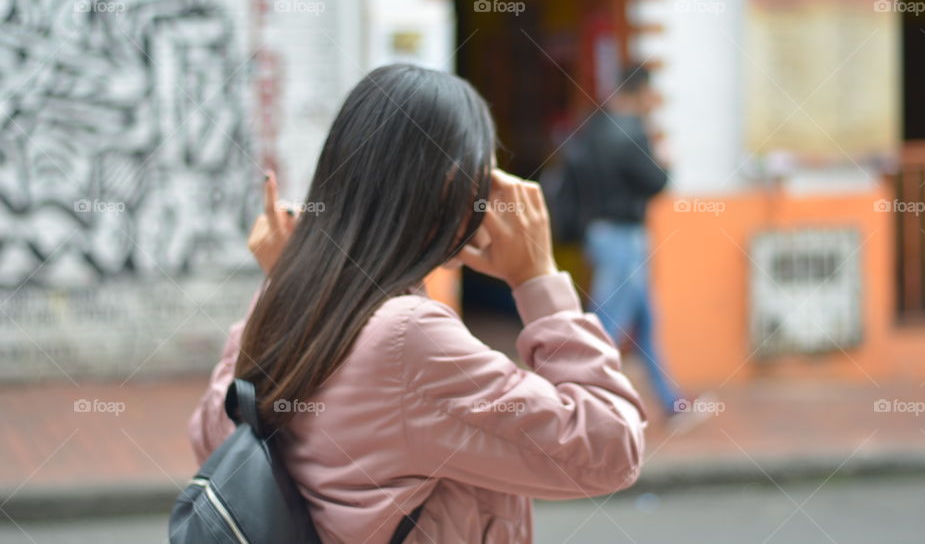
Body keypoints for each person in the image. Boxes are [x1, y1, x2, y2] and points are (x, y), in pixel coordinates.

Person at [188, 64, 646, 543]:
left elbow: (211, 436)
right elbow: (611, 449)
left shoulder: (303, 303)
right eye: (485, 178)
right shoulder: (409, 338)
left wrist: (279, 285)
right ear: (452, 187)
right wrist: (537, 279)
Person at [573, 65, 683, 419]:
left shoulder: (594, 127)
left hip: (600, 232)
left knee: (646, 321)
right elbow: (656, 181)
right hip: (624, 237)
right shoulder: (634, 131)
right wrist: (664, 160)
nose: (655, 101)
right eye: (652, 93)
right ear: (640, 92)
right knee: (609, 324)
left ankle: (672, 403)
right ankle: (577, 401)